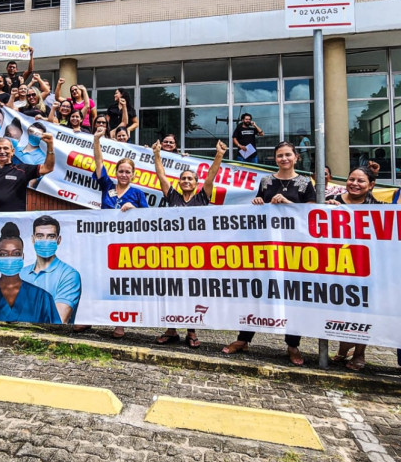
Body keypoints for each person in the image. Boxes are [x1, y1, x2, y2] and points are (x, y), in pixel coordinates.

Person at [222, 141, 315, 366]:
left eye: (288, 155)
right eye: (280, 155)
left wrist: (288, 202)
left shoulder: (305, 183)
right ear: (275, 158)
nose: (284, 159)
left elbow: (311, 213)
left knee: (293, 297)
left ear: (296, 157)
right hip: (266, 247)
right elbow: (260, 208)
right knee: (257, 292)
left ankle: (293, 345)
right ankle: (243, 339)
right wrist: (257, 202)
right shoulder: (266, 181)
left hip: (294, 249)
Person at [152, 139, 227, 348]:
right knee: (172, 291)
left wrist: (219, 155)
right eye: (183, 178)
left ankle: (191, 331)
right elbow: (161, 176)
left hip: (195, 255)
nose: (186, 181)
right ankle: (171, 330)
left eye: (190, 179)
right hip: (173, 254)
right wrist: (156, 154)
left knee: (192, 293)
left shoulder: (203, 197)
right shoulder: (172, 197)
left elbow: (211, 176)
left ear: (196, 183)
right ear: (179, 183)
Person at [88, 123, 148, 338]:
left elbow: (149, 219)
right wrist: (96, 140)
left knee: (120, 284)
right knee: (98, 280)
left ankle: (120, 323)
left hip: (126, 246)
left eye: (127, 172)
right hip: (103, 241)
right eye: (121, 171)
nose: (123, 174)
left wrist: (135, 209)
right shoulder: (107, 186)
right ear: (116, 173)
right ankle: (90, 319)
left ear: (133, 174)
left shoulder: (138, 194)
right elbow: (99, 162)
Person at [325, 166, 384, 371]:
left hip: (365, 270)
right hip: (337, 267)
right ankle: (343, 348)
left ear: (371, 185)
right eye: (351, 179)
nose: (354, 184)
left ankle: (359, 353)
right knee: (342, 312)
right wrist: (325, 208)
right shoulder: (333, 202)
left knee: (363, 314)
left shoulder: (378, 208)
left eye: (361, 181)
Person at [0, 222, 61, 324]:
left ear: (22, 257)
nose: (10, 258)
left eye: (16, 253)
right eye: (3, 254)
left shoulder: (43, 299)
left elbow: (57, 331)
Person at [20, 215, 81, 324]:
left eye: (51, 236)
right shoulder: (21, 274)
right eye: (40, 236)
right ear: (33, 239)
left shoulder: (69, 275)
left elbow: (58, 320)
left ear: (58, 240)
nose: (45, 241)